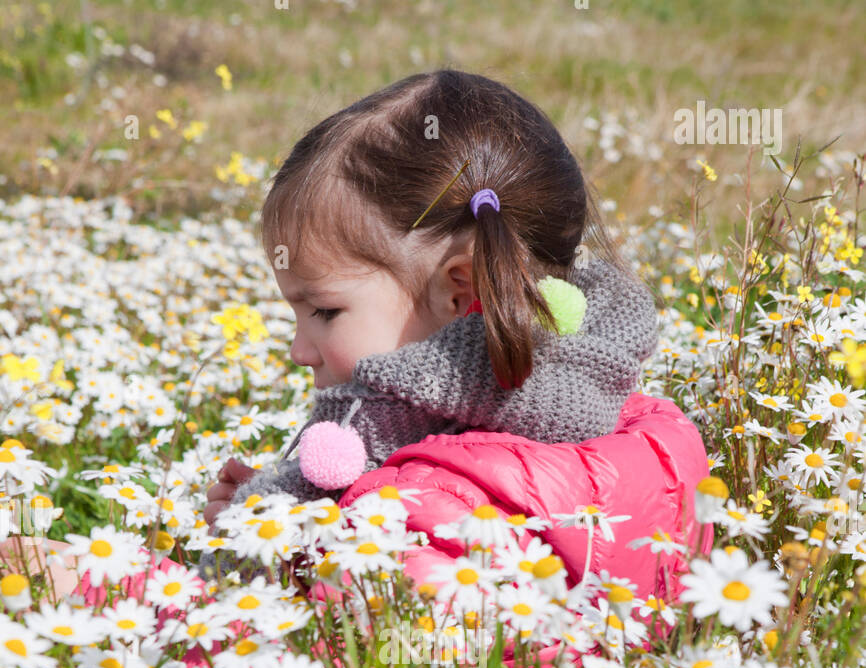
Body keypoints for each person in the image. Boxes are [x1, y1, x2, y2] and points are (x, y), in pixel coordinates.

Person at [203, 68, 661, 539]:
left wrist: (262, 549)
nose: (299, 350)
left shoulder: (435, 507)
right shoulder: (628, 421)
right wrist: (286, 501)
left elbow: (371, 604)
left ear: (459, 292)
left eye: (324, 311)